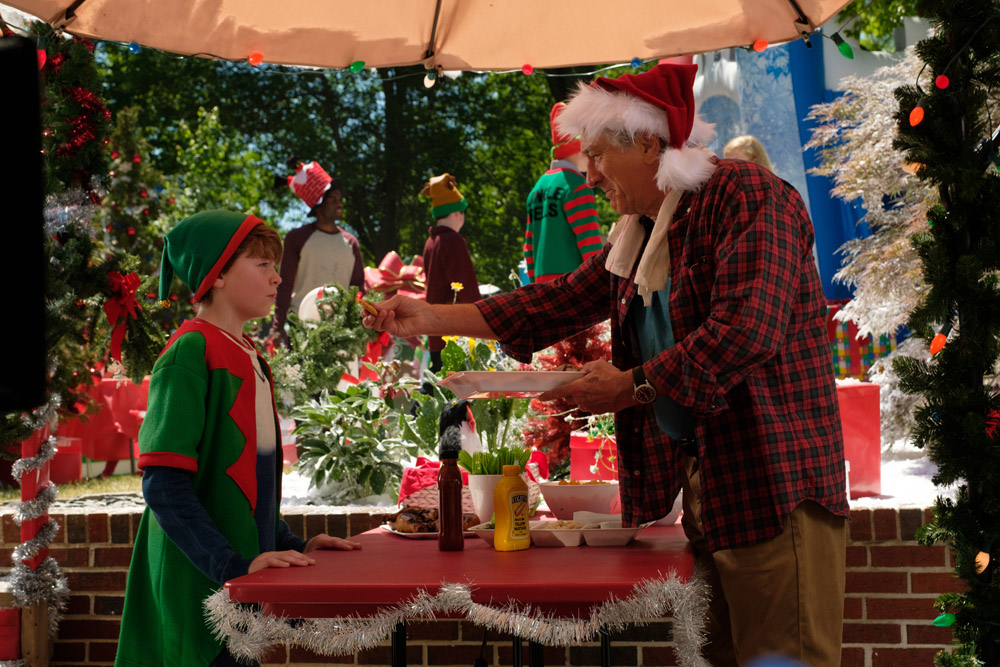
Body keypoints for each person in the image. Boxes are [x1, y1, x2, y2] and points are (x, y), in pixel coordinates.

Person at [363, 64, 849, 667]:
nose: (588, 174)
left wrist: (632, 386)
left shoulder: (745, 194)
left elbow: (746, 331)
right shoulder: (640, 232)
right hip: (712, 490)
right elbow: (556, 302)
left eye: (596, 156)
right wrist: (430, 316)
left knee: (785, 659)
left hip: (774, 480)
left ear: (647, 143)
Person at [116, 211, 361, 667]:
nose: (277, 277)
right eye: (262, 264)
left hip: (239, 587)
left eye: (275, 265)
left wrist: (293, 545)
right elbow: (163, 486)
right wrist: (230, 566)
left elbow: (250, 488)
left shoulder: (252, 356)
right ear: (218, 274)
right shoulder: (190, 352)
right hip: (198, 592)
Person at [273, 161, 365, 341]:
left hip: (341, 330)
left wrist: (363, 323)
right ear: (318, 206)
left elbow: (358, 288)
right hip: (302, 326)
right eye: (333, 199)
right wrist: (278, 325)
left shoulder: (351, 242)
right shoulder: (296, 238)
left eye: (340, 199)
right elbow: (284, 284)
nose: (340, 204)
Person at [523, 102, 603, 283]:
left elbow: (529, 248)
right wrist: (601, 283)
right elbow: (590, 242)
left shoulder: (536, 189)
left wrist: (535, 285)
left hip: (542, 287)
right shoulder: (578, 186)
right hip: (573, 286)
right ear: (582, 150)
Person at [420, 173, 479, 372]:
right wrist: (483, 316)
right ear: (457, 213)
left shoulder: (430, 243)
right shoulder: (453, 241)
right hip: (454, 334)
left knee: (438, 384)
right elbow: (467, 289)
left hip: (436, 332)